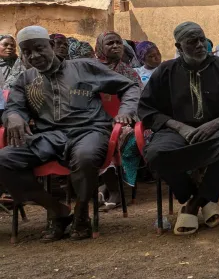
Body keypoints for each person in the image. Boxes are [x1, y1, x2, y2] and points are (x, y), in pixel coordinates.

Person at [0, 26, 140, 241]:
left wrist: (126, 110)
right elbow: (13, 107)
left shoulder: (85, 67)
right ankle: (59, 211)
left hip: (89, 131)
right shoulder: (25, 79)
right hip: (48, 136)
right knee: (4, 160)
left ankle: (81, 214)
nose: (34, 56)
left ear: (51, 45)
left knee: (85, 157)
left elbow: (129, 87)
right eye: (27, 52)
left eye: (39, 48)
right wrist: (13, 117)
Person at [139, 22, 219, 236]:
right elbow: (146, 108)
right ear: (179, 47)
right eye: (193, 42)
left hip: (218, 129)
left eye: (202, 39)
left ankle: (192, 205)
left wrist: (216, 123)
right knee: (155, 153)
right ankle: (201, 197)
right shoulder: (166, 71)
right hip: (175, 131)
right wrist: (179, 127)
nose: (201, 45)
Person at [95, 32, 143, 209]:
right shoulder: (90, 69)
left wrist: (126, 117)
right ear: (100, 46)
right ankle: (109, 187)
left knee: (126, 138)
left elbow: (139, 99)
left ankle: (113, 188)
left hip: (125, 121)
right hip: (96, 120)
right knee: (97, 139)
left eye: (118, 43)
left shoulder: (129, 72)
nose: (115, 46)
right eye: (110, 43)